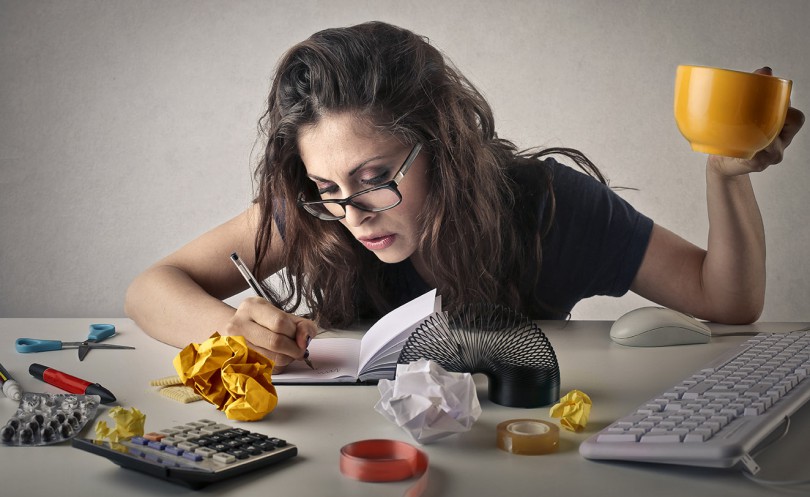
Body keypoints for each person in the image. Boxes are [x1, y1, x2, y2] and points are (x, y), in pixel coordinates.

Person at [125, 21, 805, 371]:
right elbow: (150, 288)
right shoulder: (317, 217)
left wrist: (726, 175)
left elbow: (729, 301)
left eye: (374, 178)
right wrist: (226, 329)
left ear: (441, 145)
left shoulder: (547, 205)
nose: (354, 215)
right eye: (327, 188)